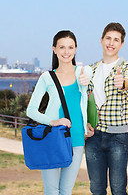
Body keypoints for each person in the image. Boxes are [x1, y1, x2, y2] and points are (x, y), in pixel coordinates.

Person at [27, 30, 93, 194]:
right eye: (62, 47)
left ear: (76, 49)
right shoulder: (47, 77)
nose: (66, 52)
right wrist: (53, 121)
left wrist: (85, 81)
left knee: (66, 191)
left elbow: (89, 75)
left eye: (70, 47)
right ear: (54, 49)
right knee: (51, 191)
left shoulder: (83, 72)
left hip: (76, 138)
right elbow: (31, 110)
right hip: (52, 138)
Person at [85, 22, 128, 195]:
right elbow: (84, 101)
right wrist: (85, 124)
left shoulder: (127, 66)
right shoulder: (90, 69)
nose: (111, 43)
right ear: (101, 40)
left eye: (116, 40)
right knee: (97, 189)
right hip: (93, 136)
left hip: (117, 137)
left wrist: (122, 83)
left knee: (118, 189)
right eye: (108, 38)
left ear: (121, 44)